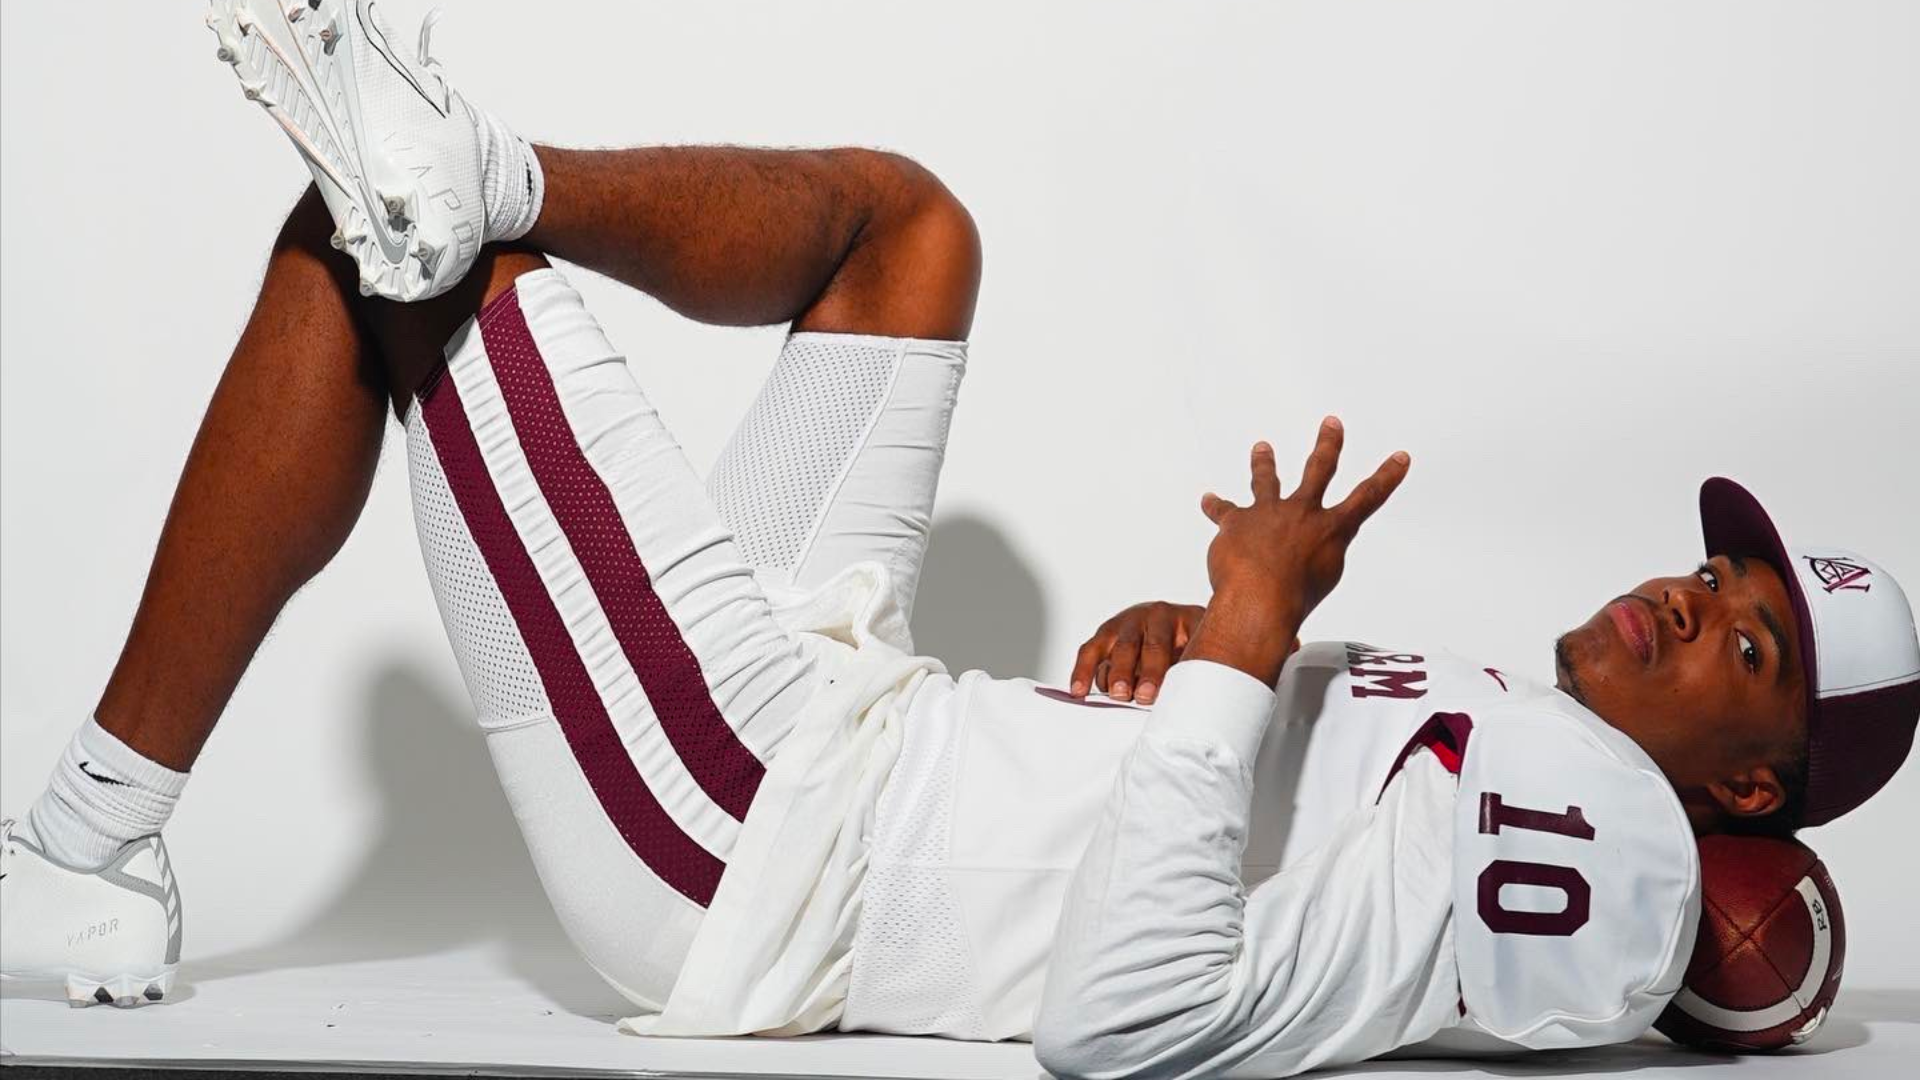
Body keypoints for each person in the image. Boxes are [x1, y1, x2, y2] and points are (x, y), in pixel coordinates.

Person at [1, 3, 1913, 1076]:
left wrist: (1250, 644)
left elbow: (1125, 1016)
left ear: (1751, 785)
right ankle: (485, 168)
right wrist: (1191, 649)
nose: (1690, 603)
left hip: (763, 839)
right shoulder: (1547, 733)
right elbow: (1228, 811)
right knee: (912, 234)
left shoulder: (1611, 833)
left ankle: (85, 842)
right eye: (1719, 579)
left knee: (402, 254)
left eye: (1745, 645)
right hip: (873, 723)